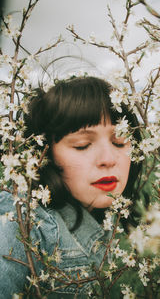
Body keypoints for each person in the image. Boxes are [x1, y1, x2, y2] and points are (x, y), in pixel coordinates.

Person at [0, 76, 142, 298]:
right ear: (44, 155)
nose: (108, 159)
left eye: (119, 142)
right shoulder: (20, 226)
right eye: (82, 145)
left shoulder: (103, 214)